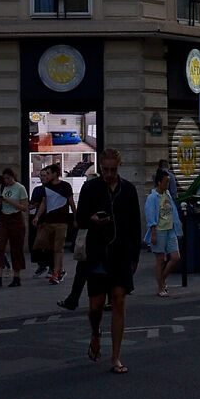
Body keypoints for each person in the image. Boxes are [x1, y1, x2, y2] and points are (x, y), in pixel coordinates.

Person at [76, 147, 143, 373]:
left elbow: (135, 223)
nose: (109, 174)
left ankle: (116, 356)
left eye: (113, 170)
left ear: (119, 167)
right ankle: (95, 333)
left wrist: (135, 256)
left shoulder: (129, 190)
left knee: (118, 300)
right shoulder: (91, 188)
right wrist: (92, 219)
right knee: (95, 306)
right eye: (105, 170)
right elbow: (79, 218)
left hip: (121, 252)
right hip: (97, 252)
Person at [31, 163, 74, 283]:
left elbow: (71, 202)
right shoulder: (47, 187)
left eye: (48, 173)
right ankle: (58, 270)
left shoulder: (65, 186)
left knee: (58, 248)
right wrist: (37, 216)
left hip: (61, 221)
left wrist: (75, 216)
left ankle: (56, 273)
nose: (46, 176)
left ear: (55, 174)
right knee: (44, 245)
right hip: (49, 221)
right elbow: (44, 203)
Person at [143, 169, 183, 294]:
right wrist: (153, 232)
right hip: (159, 230)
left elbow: (173, 210)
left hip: (170, 228)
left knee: (175, 257)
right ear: (159, 182)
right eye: (166, 182)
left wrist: (178, 224)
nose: (167, 184)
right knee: (160, 259)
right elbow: (150, 216)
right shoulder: (152, 197)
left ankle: (162, 279)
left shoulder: (168, 194)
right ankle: (160, 286)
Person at [0, 168, 30, 288]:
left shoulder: (20, 188)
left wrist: (8, 200)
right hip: (4, 218)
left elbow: (24, 207)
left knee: (16, 248)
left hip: (16, 219)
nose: (6, 181)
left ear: (13, 177)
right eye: (5, 178)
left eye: (8, 178)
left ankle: (17, 276)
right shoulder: (3, 187)